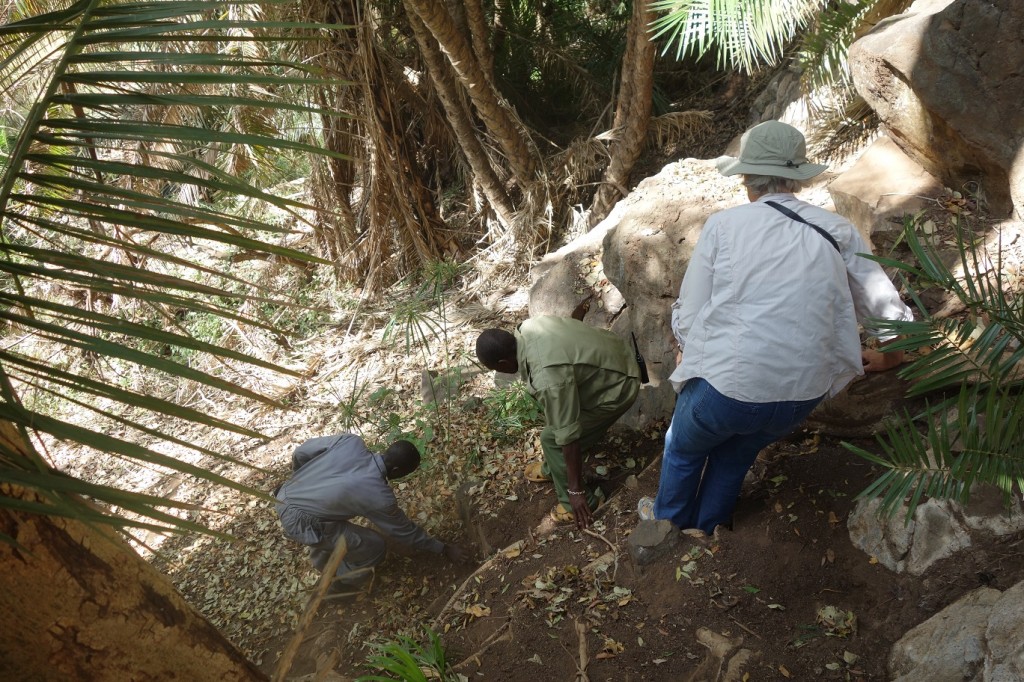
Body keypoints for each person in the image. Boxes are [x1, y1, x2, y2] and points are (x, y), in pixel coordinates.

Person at [649, 120, 914, 535]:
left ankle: (666, 530)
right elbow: (885, 306)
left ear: (746, 179)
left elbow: (690, 309)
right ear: (798, 180)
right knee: (734, 456)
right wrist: (892, 356)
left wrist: (686, 350)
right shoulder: (838, 230)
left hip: (730, 391)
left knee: (682, 449)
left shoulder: (724, 226)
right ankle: (710, 530)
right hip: (802, 396)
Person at [476, 316, 641, 529]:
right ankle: (554, 468)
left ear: (503, 363)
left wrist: (576, 491)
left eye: (496, 369)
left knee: (552, 440)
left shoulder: (547, 377)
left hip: (619, 385)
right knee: (553, 434)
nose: (499, 373)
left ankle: (582, 503)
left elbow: (568, 436)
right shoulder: (529, 327)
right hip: (618, 358)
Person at [274, 433, 467, 590]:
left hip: (285, 493)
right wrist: (443, 548)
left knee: (328, 526)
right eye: (405, 474)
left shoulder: (351, 442)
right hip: (300, 521)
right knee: (374, 547)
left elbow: (301, 451)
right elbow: (403, 531)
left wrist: (298, 480)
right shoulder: (379, 497)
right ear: (397, 470)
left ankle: (326, 560)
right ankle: (342, 583)